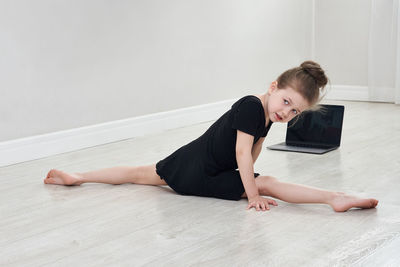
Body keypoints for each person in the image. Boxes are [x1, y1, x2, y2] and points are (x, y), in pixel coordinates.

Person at [43, 61, 379, 212]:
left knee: (137, 174)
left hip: (193, 162)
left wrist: (245, 179)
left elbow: (254, 152)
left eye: (295, 112)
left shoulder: (268, 114)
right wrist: (251, 193)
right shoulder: (251, 106)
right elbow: (243, 154)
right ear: (273, 87)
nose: (287, 113)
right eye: (286, 102)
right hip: (199, 170)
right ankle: (333, 198)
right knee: (267, 182)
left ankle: (78, 177)